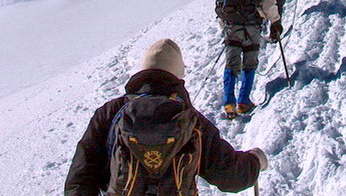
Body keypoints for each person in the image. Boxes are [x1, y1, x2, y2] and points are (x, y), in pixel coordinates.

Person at [64, 39, 269, 195]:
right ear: (177, 75)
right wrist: (254, 161)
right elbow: (230, 176)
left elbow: (80, 177)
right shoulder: (191, 121)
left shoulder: (110, 113)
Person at [215, 0, 281, 118]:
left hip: (231, 25)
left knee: (231, 63)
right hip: (252, 26)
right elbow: (269, 3)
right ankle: (244, 101)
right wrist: (275, 22)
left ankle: (229, 102)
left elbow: (219, 2)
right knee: (249, 63)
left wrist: (223, 25)